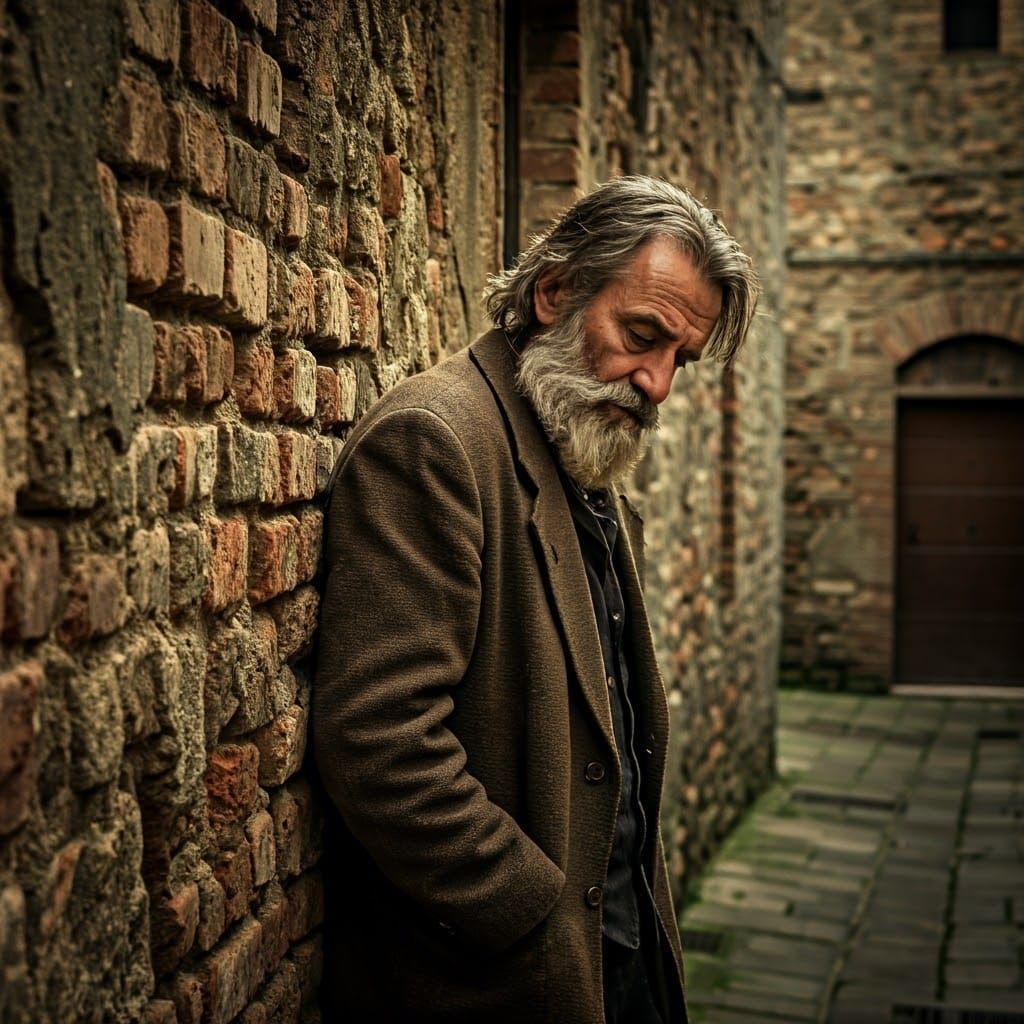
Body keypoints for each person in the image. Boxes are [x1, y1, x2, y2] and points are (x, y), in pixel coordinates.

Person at [313, 175, 759, 1023]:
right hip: (507, 976)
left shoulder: (578, 451)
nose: (657, 384)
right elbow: (379, 740)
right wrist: (533, 912)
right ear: (554, 293)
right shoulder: (436, 440)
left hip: (616, 956)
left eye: (679, 360)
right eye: (641, 336)